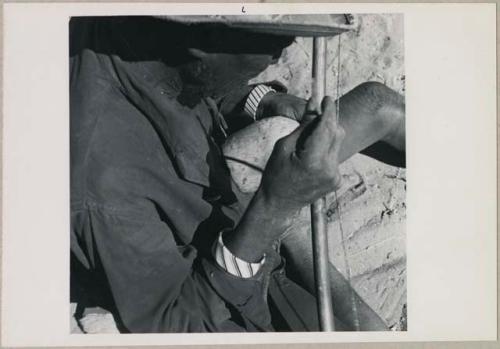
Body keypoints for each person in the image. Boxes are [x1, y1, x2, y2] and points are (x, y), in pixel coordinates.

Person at [70, 15, 405, 333]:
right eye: (273, 42)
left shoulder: (139, 35)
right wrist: (274, 208)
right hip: (226, 281)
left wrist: (263, 101)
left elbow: (187, 76)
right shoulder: (104, 181)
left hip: (245, 210)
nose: (280, 55)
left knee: (377, 104)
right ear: (205, 39)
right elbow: (181, 328)